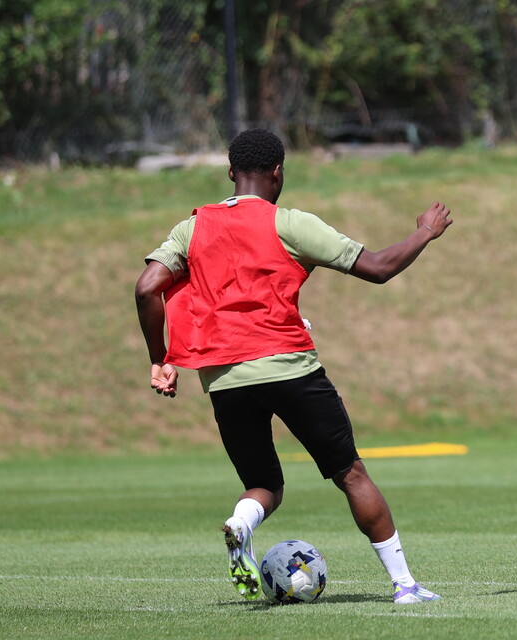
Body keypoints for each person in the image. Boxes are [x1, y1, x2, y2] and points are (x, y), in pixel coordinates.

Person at [135, 128, 451, 603]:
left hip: (225, 378)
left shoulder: (193, 227)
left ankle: (241, 525)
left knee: (263, 484)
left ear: (230, 173)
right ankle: (405, 585)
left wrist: (160, 360)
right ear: (278, 172)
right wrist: (426, 230)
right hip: (290, 367)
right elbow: (380, 267)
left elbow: (147, 287)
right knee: (350, 474)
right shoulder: (291, 223)